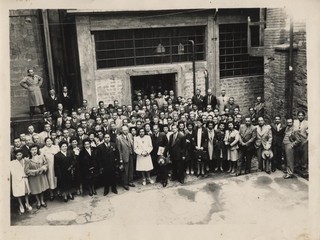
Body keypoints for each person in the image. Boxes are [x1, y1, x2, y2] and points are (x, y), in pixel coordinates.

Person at [25, 144, 49, 209]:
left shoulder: (41, 157)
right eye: (32, 150)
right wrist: (35, 171)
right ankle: (38, 201)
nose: (34, 151)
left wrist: (43, 168)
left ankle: (42, 201)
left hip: (41, 176)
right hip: (34, 178)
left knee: (42, 189)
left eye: (35, 149)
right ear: (30, 151)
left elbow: (46, 164)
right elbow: (27, 171)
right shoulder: (28, 160)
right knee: (36, 190)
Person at [10, 149, 32, 214]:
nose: (19, 156)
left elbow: (27, 169)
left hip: (25, 179)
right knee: (18, 194)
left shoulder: (25, 161)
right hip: (17, 180)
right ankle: (21, 205)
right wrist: (22, 176)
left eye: (20, 154)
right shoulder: (13, 163)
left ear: (22, 154)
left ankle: (27, 203)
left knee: (26, 192)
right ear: (15, 156)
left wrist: (26, 175)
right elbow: (13, 172)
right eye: (17, 155)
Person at [116, 126, 135, 190]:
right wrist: (120, 159)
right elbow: (119, 150)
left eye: (127, 130)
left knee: (131, 169)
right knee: (125, 171)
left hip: (131, 154)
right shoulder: (119, 138)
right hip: (124, 156)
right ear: (121, 131)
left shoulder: (130, 135)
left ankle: (130, 181)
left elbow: (132, 144)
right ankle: (125, 183)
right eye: (124, 130)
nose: (126, 131)